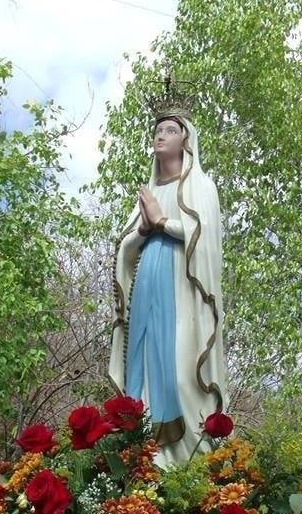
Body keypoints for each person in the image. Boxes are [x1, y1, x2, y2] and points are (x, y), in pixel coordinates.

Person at [108, 105, 227, 466]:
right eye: (158, 131)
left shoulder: (201, 187)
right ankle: (147, 454)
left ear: (186, 139)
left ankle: (188, 459)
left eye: (170, 130)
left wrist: (164, 223)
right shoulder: (152, 190)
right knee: (143, 361)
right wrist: (144, 230)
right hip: (148, 283)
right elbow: (126, 246)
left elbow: (207, 241)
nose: (160, 135)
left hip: (183, 289)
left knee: (179, 367)